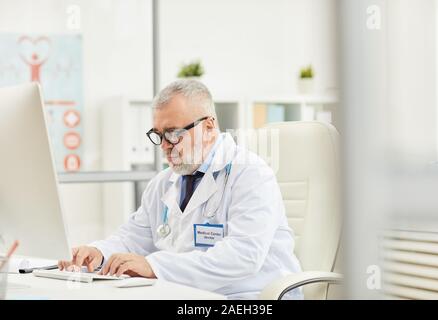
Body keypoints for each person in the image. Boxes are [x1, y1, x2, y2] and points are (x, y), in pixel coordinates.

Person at [58, 79, 302, 299]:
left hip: (251, 298)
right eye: (158, 135)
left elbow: (243, 256)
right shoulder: (164, 182)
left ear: (208, 127)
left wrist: (154, 267)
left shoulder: (250, 174)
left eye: (173, 133)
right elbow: (132, 239)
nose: (164, 145)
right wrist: (98, 252)